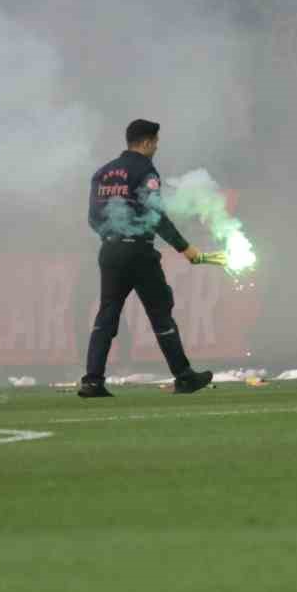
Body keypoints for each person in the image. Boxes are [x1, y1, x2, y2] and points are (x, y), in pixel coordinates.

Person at [79, 119, 217, 399]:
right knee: (160, 312)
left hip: (110, 251)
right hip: (139, 253)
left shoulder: (102, 173)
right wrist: (186, 249)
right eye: (155, 142)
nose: (157, 147)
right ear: (144, 142)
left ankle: (92, 381)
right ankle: (184, 376)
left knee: (107, 314)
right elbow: (156, 216)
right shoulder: (145, 170)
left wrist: (113, 236)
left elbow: (93, 218)